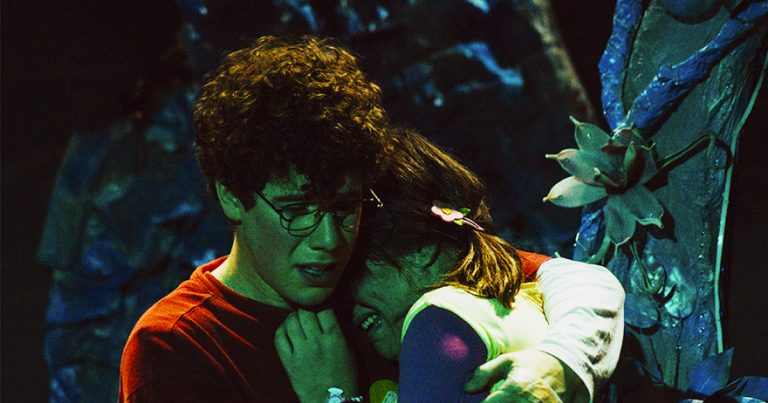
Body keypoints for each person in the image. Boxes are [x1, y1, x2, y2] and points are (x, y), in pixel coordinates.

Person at [119, 35, 623, 403]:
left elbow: (580, 281)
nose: (329, 240)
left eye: (344, 207)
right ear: (231, 196)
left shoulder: (373, 256)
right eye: (297, 212)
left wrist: (560, 364)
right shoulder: (176, 348)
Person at [276, 128, 624, 402]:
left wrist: (332, 396)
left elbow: (587, 281)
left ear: (421, 249)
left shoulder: (437, 322)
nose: (346, 299)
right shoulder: (509, 299)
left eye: (356, 269)